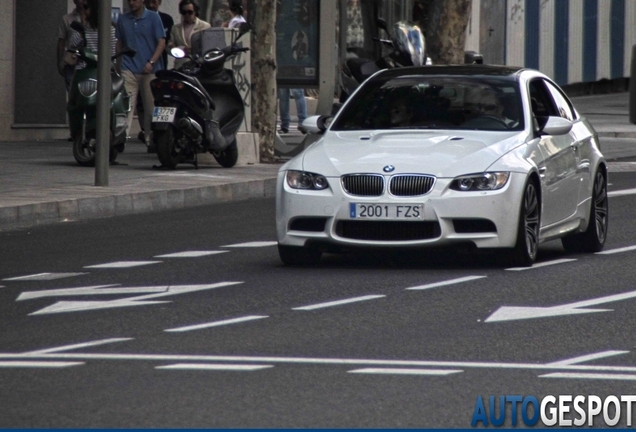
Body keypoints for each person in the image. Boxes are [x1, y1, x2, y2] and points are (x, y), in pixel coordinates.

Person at [115, 0, 166, 152]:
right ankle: (120, 139)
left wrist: (152, 62)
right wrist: (118, 63)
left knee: (151, 108)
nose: (132, 2)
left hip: (150, 69)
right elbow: (120, 41)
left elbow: (161, 42)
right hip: (129, 68)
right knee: (126, 106)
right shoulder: (123, 19)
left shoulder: (153, 18)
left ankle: (152, 140)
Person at [69, 0, 117, 70]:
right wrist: (83, 26)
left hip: (102, 68)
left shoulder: (109, 29)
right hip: (84, 67)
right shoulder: (86, 27)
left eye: (85, 7)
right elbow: (72, 43)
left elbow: (113, 53)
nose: (83, 10)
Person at [168, 0, 211, 69]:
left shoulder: (204, 26)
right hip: (180, 65)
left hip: (198, 65)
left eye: (190, 12)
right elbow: (169, 47)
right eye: (184, 12)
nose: (187, 15)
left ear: (195, 12)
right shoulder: (175, 28)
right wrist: (181, 49)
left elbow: (208, 46)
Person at [57, 0, 85, 91]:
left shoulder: (93, 19)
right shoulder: (66, 19)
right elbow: (61, 41)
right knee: (72, 95)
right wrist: (60, 62)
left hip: (88, 63)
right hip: (72, 62)